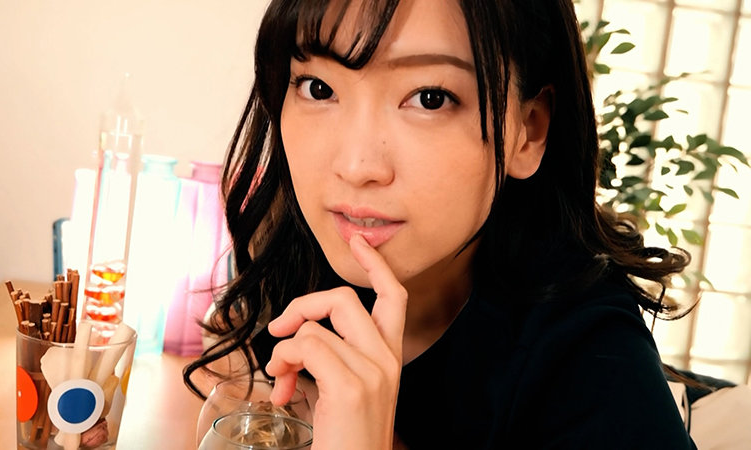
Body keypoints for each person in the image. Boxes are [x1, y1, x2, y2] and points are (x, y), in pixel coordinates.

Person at [184, 0, 697, 448]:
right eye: (318, 88)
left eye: (430, 98)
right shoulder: (292, 271)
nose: (357, 167)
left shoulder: (592, 365)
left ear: (528, 130)